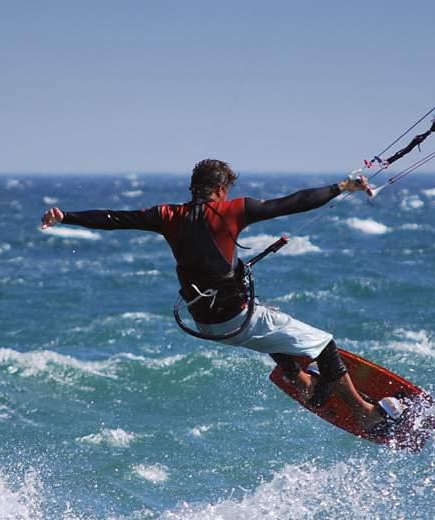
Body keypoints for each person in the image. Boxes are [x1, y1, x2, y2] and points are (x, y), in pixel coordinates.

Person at [41, 159, 403, 432]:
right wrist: (344, 186)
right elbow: (293, 202)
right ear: (222, 190)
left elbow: (115, 218)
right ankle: (364, 412)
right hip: (235, 320)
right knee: (323, 344)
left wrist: (65, 216)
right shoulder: (232, 210)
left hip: (205, 324)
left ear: (193, 188)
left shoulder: (166, 215)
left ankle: (306, 383)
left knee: (270, 324)